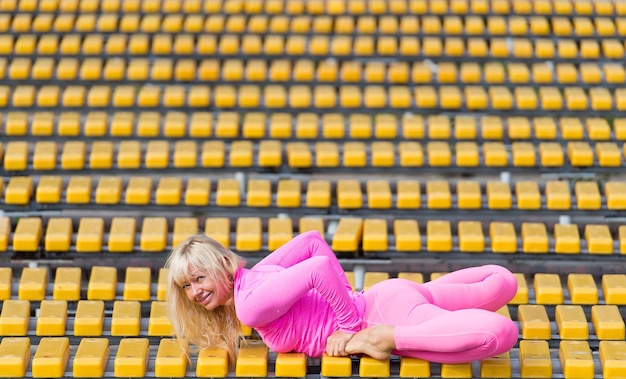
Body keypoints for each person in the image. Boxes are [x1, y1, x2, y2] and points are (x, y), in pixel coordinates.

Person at [165, 230, 519, 366]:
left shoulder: (249, 304)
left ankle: (384, 339)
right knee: (501, 280)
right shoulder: (258, 275)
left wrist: (350, 326)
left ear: (223, 264)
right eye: (186, 286)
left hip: (383, 321)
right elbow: (312, 241)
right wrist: (349, 299)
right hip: (384, 295)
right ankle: (378, 330)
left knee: (500, 334)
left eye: (199, 278)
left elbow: (317, 263)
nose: (195, 292)